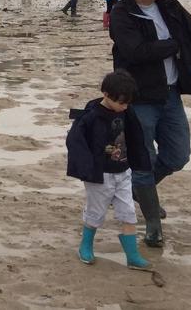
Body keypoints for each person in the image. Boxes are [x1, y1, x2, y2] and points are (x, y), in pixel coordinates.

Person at [110, 0, 191, 248]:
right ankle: (153, 225)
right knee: (142, 161)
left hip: (171, 94)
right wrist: (174, 45)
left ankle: (140, 190)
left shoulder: (169, 5)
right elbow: (136, 51)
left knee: (178, 155)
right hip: (139, 98)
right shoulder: (122, 14)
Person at [66, 70, 153, 271]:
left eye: (128, 103)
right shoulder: (90, 116)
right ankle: (86, 245)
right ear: (106, 93)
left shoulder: (126, 112)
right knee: (95, 212)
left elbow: (136, 136)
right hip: (100, 174)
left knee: (128, 212)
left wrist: (139, 160)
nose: (124, 106)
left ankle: (132, 256)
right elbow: (75, 142)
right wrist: (85, 168)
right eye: (121, 102)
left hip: (123, 171)